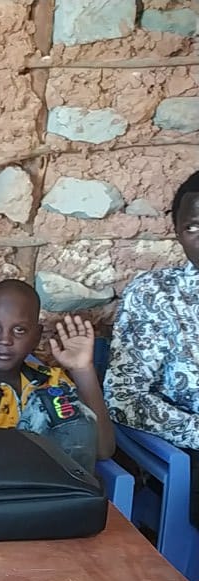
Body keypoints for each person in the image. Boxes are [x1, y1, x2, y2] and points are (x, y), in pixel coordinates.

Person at [0, 279, 115, 469]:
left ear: (36, 336)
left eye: (19, 330)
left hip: (58, 483)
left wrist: (82, 370)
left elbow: (103, 450)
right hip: (2, 484)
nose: (5, 340)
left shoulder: (53, 382)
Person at [104, 170, 199, 528]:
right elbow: (124, 399)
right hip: (190, 450)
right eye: (193, 227)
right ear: (177, 232)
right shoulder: (157, 294)